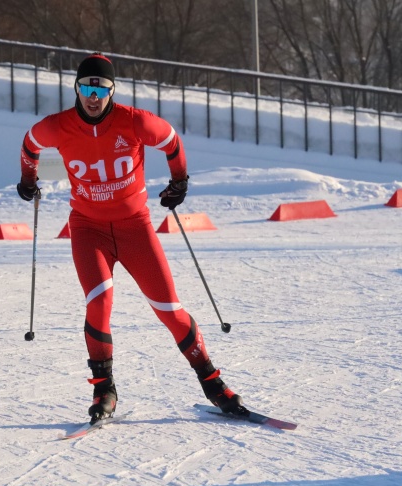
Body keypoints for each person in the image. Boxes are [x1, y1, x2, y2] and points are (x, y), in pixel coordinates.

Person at [17, 53, 246, 421]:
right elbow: (29, 145)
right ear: (76, 88)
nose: (93, 96)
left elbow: (171, 141)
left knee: (169, 309)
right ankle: (103, 389)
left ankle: (213, 382)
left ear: (112, 91)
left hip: (134, 228)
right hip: (88, 229)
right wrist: (28, 181)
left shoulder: (135, 122)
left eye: (101, 88)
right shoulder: (58, 127)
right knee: (99, 302)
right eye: (87, 87)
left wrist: (179, 181)